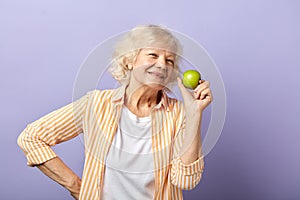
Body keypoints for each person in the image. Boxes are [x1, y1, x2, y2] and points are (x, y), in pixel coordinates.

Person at [18, 24, 213, 200]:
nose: (162, 64)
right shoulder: (95, 104)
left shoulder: (179, 113)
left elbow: (186, 181)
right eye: (153, 55)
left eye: (169, 61)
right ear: (129, 61)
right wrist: (77, 187)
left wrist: (194, 113)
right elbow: (31, 137)